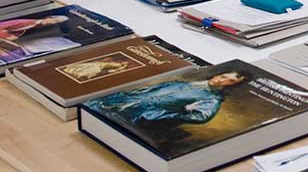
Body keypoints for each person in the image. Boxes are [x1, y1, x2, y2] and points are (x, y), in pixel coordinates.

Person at [86, 69, 248, 125]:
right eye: (224, 75)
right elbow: (151, 89)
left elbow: (200, 117)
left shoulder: (212, 99)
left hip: (131, 117)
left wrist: (155, 115)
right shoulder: (186, 82)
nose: (222, 80)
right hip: (109, 102)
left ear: (232, 85)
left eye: (230, 81)